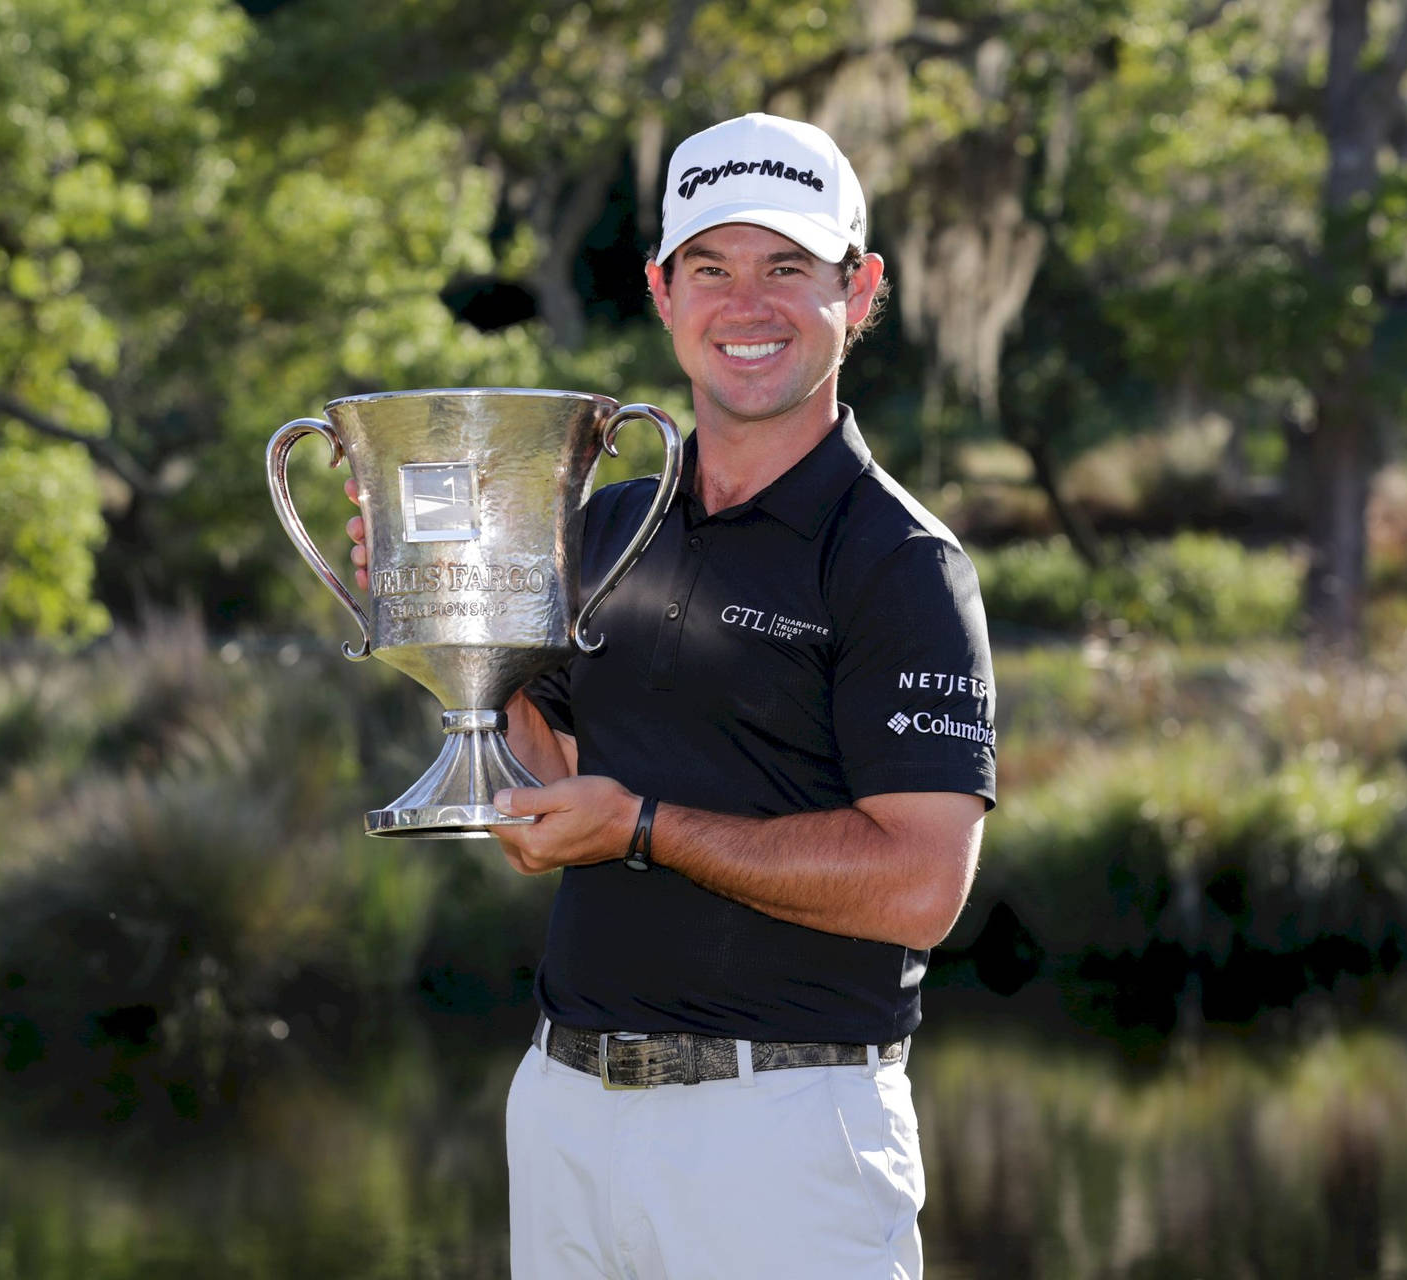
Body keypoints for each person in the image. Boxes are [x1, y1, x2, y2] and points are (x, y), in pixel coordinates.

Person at [348, 112, 995, 1280]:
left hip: (783, 1133)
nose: (745, 304)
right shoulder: (596, 528)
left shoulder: (899, 562)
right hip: (566, 1112)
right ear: (661, 289)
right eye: (712, 267)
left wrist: (645, 829)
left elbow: (919, 884)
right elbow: (540, 809)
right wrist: (444, 620)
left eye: (787, 267)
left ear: (860, 291)